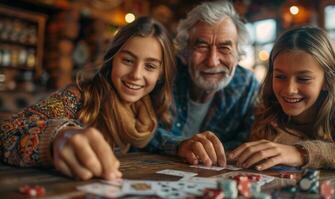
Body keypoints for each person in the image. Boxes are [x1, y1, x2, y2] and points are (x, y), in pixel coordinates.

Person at [0, 17, 176, 180]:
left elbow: (156, 143)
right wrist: (55, 138)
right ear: (112, 60)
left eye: (150, 66)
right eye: (128, 60)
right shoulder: (78, 97)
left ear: (161, 74)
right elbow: (7, 134)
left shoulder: (148, 112)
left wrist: (179, 145)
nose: (136, 75)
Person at [146, 0, 260, 167]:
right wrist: (180, 145)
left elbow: (250, 140)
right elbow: (139, 131)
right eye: (202, 46)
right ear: (185, 51)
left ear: (238, 54)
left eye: (224, 48)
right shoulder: (162, 76)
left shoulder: (247, 85)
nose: (212, 61)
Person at [228, 26, 335, 170]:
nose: (289, 89)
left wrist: (301, 153)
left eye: (303, 78)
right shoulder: (267, 113)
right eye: (280, 77)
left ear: (328, 80)